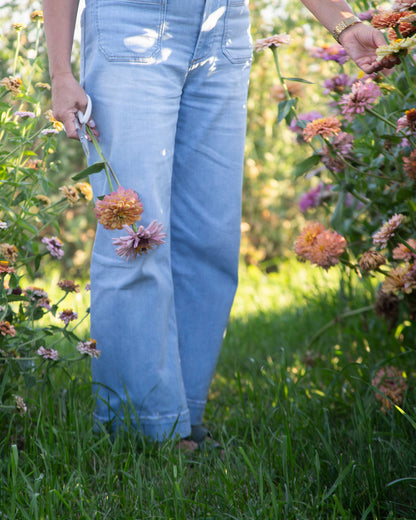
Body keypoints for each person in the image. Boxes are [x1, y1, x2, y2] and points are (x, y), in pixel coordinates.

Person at [42, 0, 392, 447]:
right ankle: (139, 429)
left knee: (210, 237)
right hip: (131, 18)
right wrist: (60, 72)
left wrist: (344, 23)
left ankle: (180, 416)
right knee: (135, 236)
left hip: (223, 24)